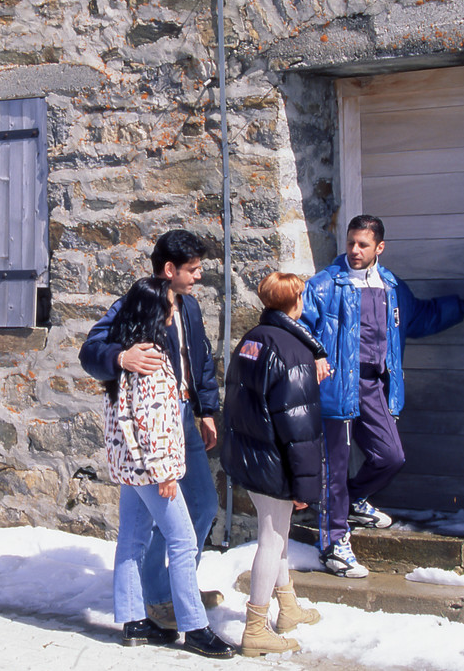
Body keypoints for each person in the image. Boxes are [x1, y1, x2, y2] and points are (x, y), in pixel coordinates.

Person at [300, 215, 464, 578]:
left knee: (390, 456)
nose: (354, 250)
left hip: (373, 387)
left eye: (363, 244)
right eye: (351, 242)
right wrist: (316, 358)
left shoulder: (392, 286)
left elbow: (420, 318)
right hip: (335, 386)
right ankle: (334, 545)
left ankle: (352, 501)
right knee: (335, 469)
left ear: (379, 247)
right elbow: (300, 326)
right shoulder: (323, 285)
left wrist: (463, 307)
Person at [79, 230, 222, 627]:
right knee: (165, 523)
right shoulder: (133, 303)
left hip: (184, 417)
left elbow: (201, 360)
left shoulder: (189, 307)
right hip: (151, 424)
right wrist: (120, 357)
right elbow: (90, 351)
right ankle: (160, 596)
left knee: (204, 504)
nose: (199, 276)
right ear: (169, 269)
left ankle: (176, 588)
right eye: (192, 269)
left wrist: (207, 410)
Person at [103, 277, 235, 659]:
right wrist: (164, 472)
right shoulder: (152, 359)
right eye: (168, 306)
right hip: (152, 469)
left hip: (131, 465)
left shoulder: (126, 356)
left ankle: (134, 621)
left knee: (132, 538)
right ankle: (194, 627)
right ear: (154, 312)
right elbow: (152, 420)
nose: (174, 310)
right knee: (182, 540)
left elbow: (120, 418)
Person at [220, 272, 328, 656]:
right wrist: (305, 484)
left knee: (277, 532)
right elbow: (299, 427)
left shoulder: (252, 340)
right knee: (272, 538)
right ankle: (255, 627)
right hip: (273, 459)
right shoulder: (292, 351)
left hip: (249, 452)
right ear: (295, 302)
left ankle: (288, 606)